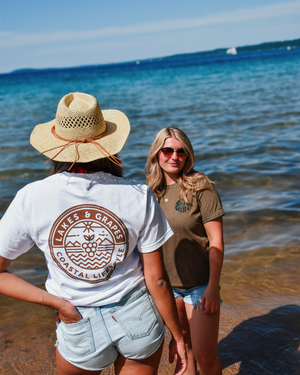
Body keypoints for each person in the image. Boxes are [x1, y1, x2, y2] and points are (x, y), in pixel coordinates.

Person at [0, 93, 187, 375]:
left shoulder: (32, 197)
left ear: (57, 146)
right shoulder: (138, 194)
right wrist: (179, 337)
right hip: (138, 316)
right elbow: (157, 279)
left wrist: (57, 304)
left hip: (77, 321)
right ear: (108, 144)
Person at [145, 127, 225, 375]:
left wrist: (212, 288)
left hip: (200, 286)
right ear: (157, 153)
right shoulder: (148, 192)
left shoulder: (201, 187)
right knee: (183, 350)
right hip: (166, 288)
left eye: (181, 152)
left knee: (204, 356)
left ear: (188, 155)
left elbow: (216, 242)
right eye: (167, 150)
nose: (174, 157)